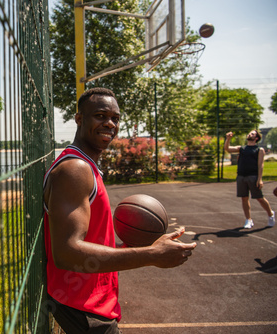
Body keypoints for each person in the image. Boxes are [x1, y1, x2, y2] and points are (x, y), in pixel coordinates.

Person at [43, 87, 197, 333]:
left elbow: (89, 240)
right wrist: (152, 255)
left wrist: (141, 246)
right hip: (83, 307)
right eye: (101, 115)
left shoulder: (87, 165)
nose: (110, 123)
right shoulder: (76, 169)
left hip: (93, 302)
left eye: (115, 118)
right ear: (79, 119)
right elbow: (67, 252)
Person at [224, 130, 275, 228]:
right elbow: (228, 149)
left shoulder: (259, 149)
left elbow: (261, 165)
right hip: (241, 176)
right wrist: (228, 139)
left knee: (259, 198)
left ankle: (270, 214)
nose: (249, 134)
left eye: (252, 134)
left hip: (253, 176)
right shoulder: (242, 148)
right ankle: (248, 220)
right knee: (244, 198)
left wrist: (259, 179)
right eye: (249, 133)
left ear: (256, 138)